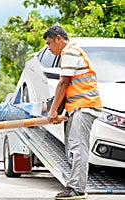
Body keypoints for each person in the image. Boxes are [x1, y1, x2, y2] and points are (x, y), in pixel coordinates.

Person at [44, 25, 102, 200]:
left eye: (49, 43)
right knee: (74, 148)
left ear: (58, 39)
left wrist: (53, 111)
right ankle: (74, 187)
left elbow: (63, 83)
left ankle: (77, 189)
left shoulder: (69, 52)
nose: (48, 48)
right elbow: (67, 87)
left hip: (84, 106)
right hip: (78, 107)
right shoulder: (68, 53)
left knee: (78, 148)